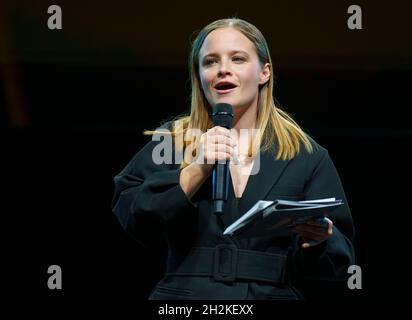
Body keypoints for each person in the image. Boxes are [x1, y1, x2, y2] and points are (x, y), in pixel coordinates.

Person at [112, 17, 355, 300]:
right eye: (210, 62)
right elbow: (134, 217)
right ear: (199, 74)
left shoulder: (305, 154)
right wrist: (198, 167)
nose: (223, 70)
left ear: (264, 72)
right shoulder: (173, 141)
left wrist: (319, 239)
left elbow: (339, 261)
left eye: (237, 59)